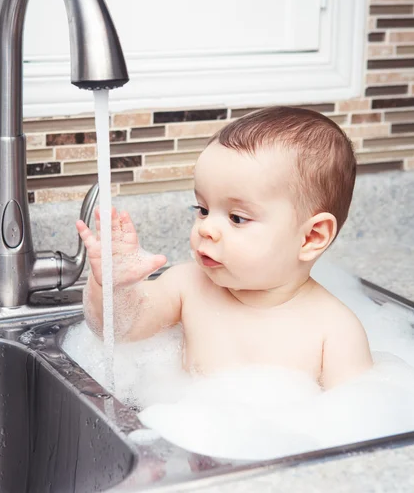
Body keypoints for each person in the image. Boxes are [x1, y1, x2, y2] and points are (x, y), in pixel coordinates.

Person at [76, 106, 373, 390]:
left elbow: (351, 424)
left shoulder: (336, 331)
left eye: (236, 218)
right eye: (203, 209)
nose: (205, 228)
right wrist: (113, 286)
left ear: (311, 237)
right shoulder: (188, 285)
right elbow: (119, 331)